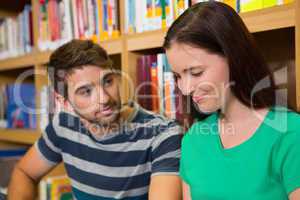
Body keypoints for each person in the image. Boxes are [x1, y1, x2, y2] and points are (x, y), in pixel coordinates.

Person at [8, 39, 182, 200]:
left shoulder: (163, 134)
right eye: (86, 91)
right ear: (64, 101)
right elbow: (24, 172)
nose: (104, 98)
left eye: (108, 81)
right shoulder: (62, 126)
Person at [163, 1, 300, 200]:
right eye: (177, 76)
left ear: (233, 56)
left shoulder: (290, 134)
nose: (185, 88)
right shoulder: (193, 139)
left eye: (196, 72)